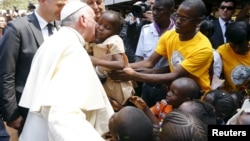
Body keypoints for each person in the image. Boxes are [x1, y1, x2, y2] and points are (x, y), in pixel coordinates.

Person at [18, 2, 114, 141]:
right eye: (95, 20)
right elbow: (62, 116)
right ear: (83, 20)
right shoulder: (71, 48)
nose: (96, 25)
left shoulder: (57, 41)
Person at [110, 0, 213, 95]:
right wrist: (121, 66)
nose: (177, 21)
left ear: (198, 22)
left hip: (195, 96)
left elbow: (174, 75)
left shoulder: (203, 48)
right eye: (177, 16)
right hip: (174, 92)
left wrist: (134, 75)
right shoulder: (169, 36)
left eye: (184, 19)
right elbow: (149, 63)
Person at [0, 0, 68, 135]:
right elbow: (6, 73)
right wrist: (12, 114)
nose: (63, 9)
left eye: (64, 5)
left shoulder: (62, 29)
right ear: (42, 2)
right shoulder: (17, 28)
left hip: (58, 111)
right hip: (28, 111)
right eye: (59, 5)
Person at [86, 10, 135, 111]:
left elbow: (120, 63)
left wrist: (97, 61)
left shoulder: (114, 40)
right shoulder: (97, 40)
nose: (100, 28)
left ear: (115, 32)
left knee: (117, 109)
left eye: (107, 28)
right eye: (99, 23)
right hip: (107, 84)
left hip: (117, 84)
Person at [135, 0, 175, 107]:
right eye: (154, 9)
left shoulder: (177, 33)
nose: (155, 13)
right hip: (147, 85)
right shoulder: (146, 30)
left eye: (159, 10)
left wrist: (148, 72)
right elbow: (140, 58)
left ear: (170, 11)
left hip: (168, 87)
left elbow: (176, 66)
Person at [130, 77, 201, 122]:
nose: (168, 94)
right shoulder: (164, 104)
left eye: (173, 93)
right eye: (169, 90)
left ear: (186, 100)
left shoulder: (184, 117)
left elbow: (161, 130)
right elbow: (149, 115)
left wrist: (145, 108)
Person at [216, 21, 250, 92]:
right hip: (229, 95)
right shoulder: (221, 51)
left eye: (241, 46)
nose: (236, 49)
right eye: (232, 45)